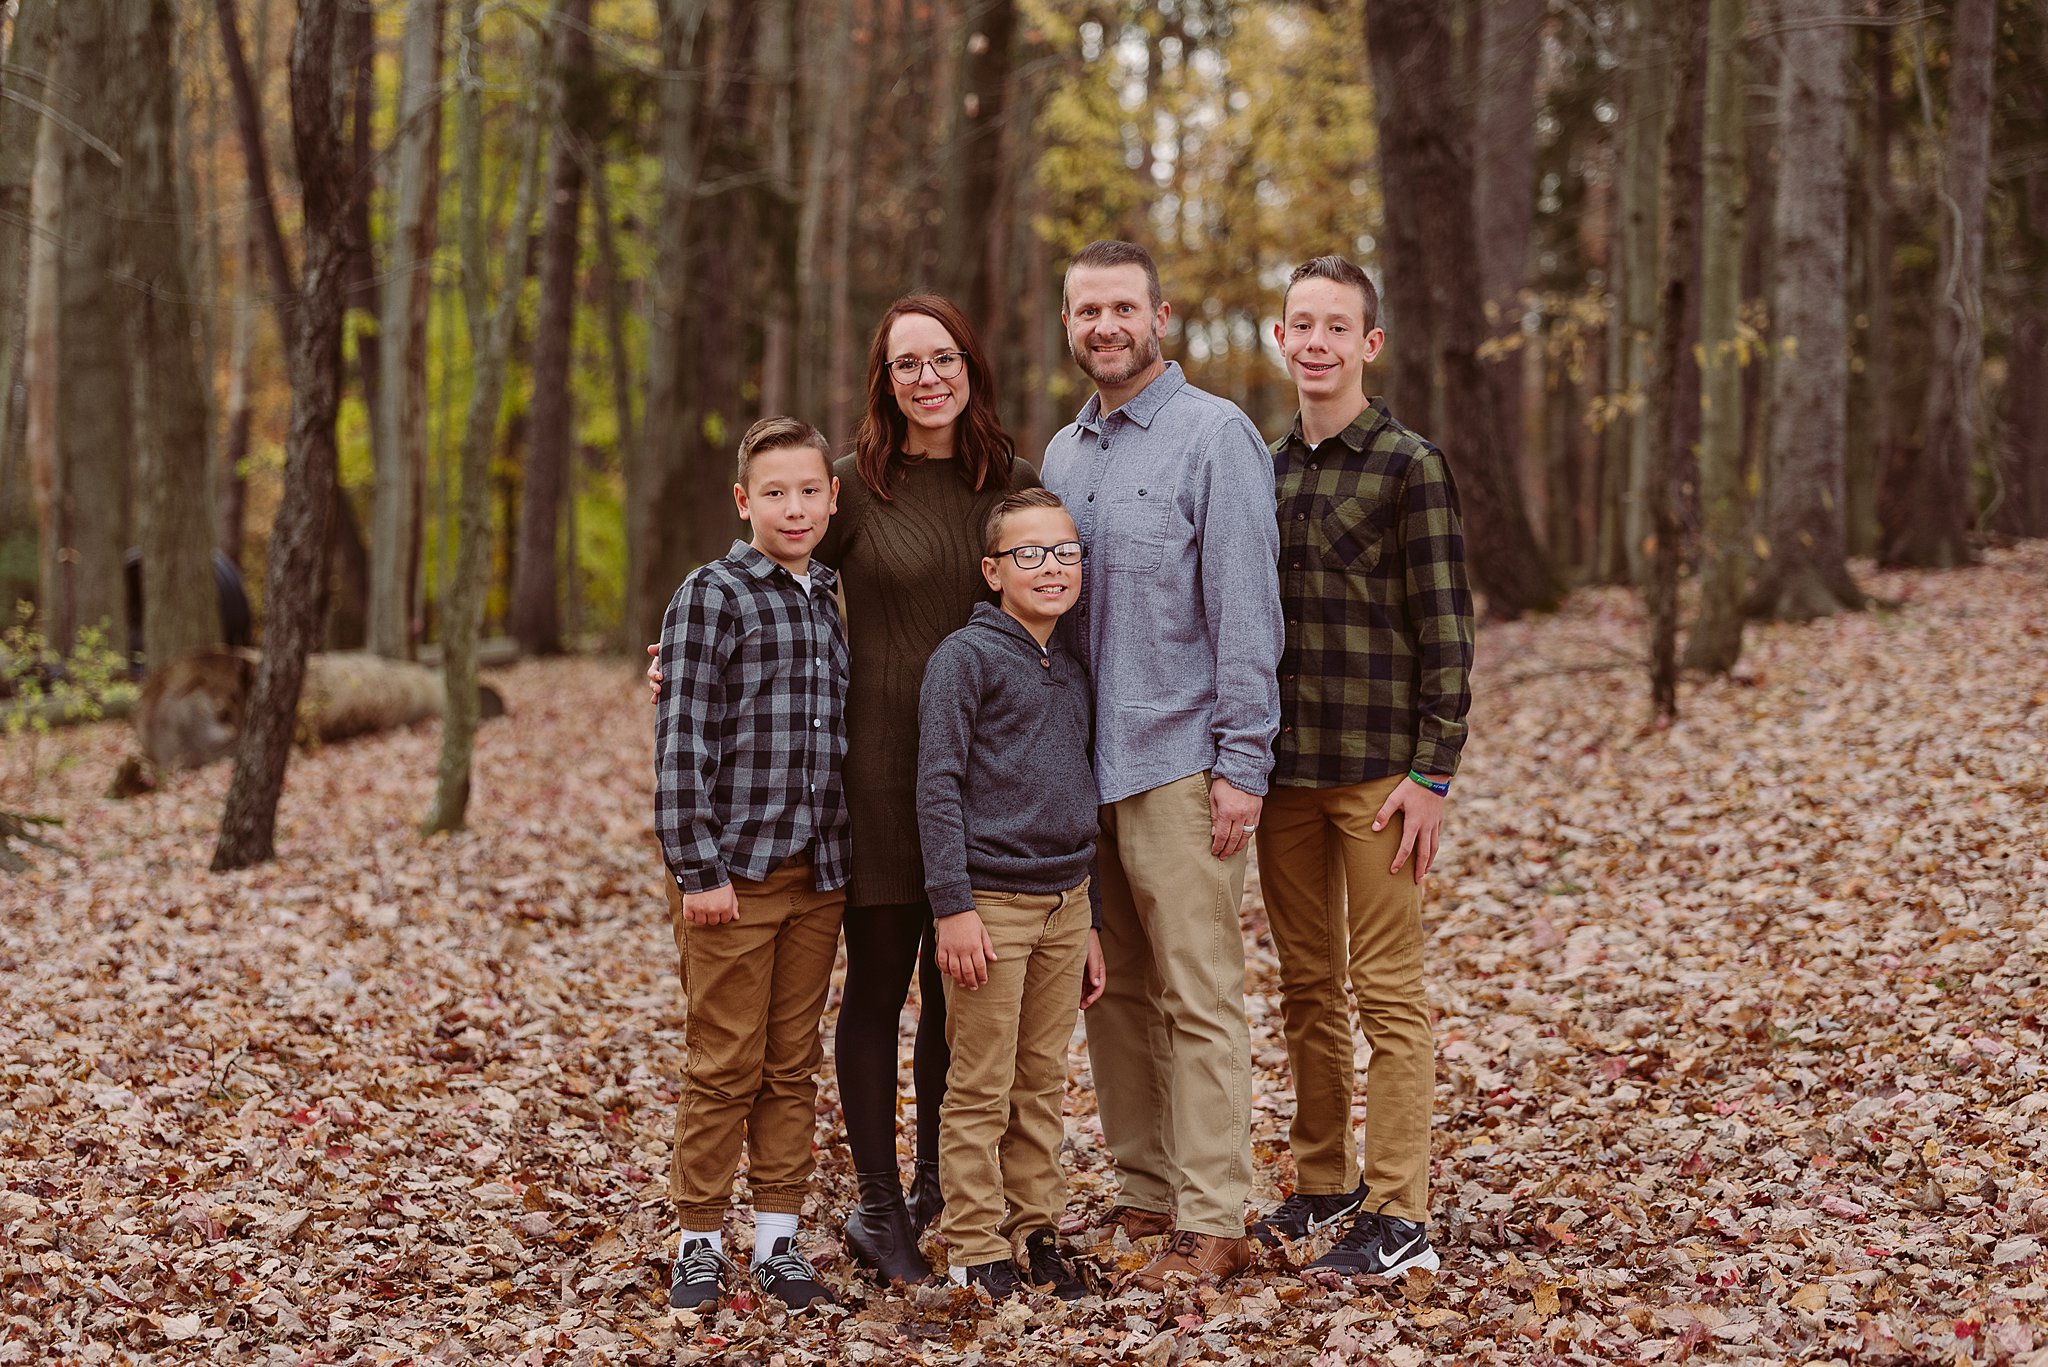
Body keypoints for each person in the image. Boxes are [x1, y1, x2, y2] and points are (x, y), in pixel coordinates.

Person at [648, 297, 1040, 1284]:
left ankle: (940, 1192)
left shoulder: (1015, 482)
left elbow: (1051, 605)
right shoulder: (855, 487)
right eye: (905, 362)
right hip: (871, 779)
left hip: (984, 779)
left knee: (959, 1004)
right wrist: (672, 663)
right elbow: (765, 586)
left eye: (941, 356)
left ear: (968, 363)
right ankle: (875, 1203)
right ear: (884, 378)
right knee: (874, 990)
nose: (926, 377)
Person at [1040, 240, 1283, 1291]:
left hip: (1182, 767)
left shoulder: (1212, 436)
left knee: (1197, 993)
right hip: (1082, 776)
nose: (1105, 325)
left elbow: (1245, 610)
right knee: (1116, 995)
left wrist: (1244, 760)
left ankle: (1213, 1210)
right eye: (1086, 309)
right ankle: (1145, 1195)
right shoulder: (1060, 457)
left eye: (1122, 308)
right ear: (1068, 324)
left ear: (1161, 316)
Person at [1251, 255, 1474, 1281]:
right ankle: (1323, 1179)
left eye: (1334, 326)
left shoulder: (1406, 464)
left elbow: (1446, 627)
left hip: (1377, 779)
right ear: (1280, 336)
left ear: (1366, 344)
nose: (1315, 343)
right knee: (1303, 985)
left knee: (1385, 992)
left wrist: (1431, 773)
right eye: (1300, 324)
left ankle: (1398, 1212)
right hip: (1282, 773)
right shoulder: (1261, 467)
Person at [654, 416, 851, 1313]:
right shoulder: (714, 594)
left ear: (832, 495)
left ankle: (777, 1237)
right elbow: (681, 736)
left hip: (818, 874)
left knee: (789, 1061)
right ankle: (699, 1238)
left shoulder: (830, 595)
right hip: (734, 875)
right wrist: (698, 869)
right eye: (774, 491)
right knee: (723, 1059)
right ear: (744, 501)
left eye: (810, 489)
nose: (795, 506)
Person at [915, 488, 1105, 1301]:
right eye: (1029, 553)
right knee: (982, 1081)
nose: (1051, 567)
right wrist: (952, 905)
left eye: (1065, 551)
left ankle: (1037, 1228)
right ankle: (973, 1241)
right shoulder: (965, 657)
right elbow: (937, 785)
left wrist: (1088, 913)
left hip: (1066, 902)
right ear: (993, 570)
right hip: (989, 906)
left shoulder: (1069, 661)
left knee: (1041, 1080)